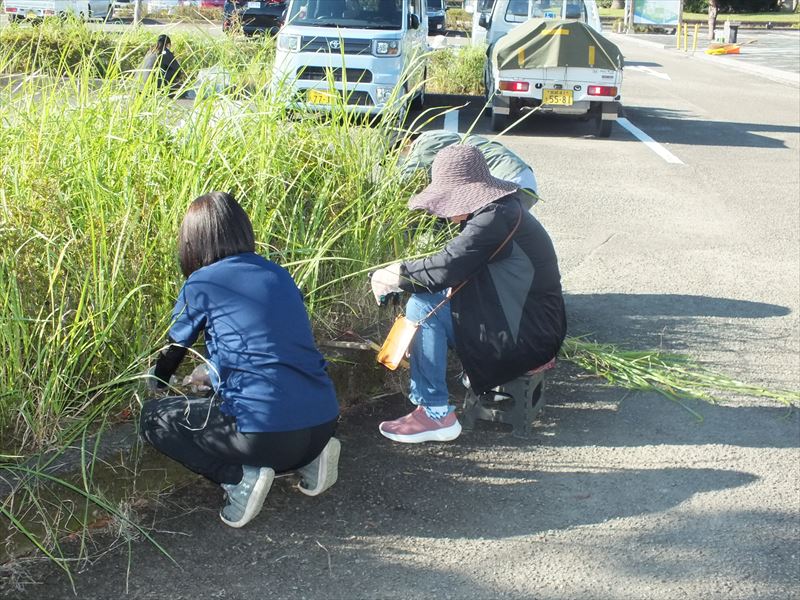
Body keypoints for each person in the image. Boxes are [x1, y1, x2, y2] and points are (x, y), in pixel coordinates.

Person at [140, 192, 340, 528]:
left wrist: (156, 379)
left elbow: (174, 350)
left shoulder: (202, 281)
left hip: (266, 435)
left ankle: (236, 480)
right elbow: (268, 349)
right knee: (273, 415)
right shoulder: (278, 274)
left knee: (153, 419)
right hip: (323, 421)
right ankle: (313, 460)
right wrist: (209, 372)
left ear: (193, 240)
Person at [370, 145, 566, 443]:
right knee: (432, 300)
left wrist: (394, 275)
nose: (445, 210)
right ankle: (441, 400)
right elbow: (456, 264)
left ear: (465, 193)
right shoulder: (503, 209)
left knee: (422, 307)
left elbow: (446, 267)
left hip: (529, 337)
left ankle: (435, 414)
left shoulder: (493, 220)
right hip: (535, 326)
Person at [399, 130, 540, 209]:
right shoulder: (439, 135)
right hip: (521, 177)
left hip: (506, 178)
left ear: (406, 142)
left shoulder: (424, 143)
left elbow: (404, 182)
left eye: (396, 156)